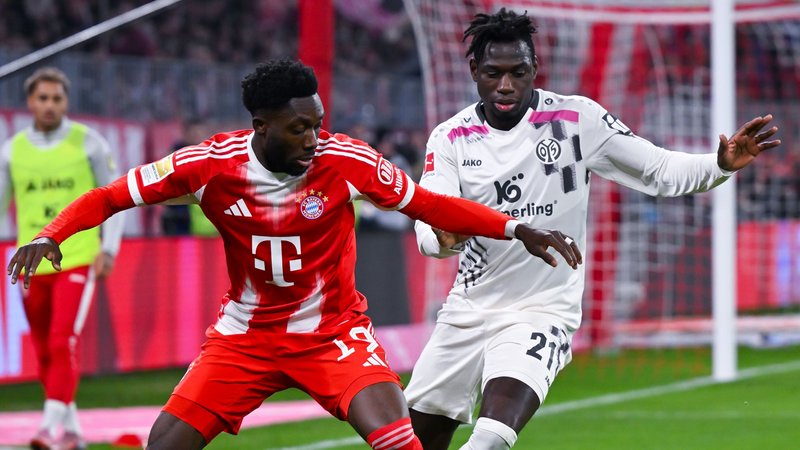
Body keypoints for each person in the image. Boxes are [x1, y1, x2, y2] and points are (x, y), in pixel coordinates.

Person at [7, 59, 582, 450]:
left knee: (400, 441)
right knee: (164, 444)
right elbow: (112, 195)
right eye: (300, 128)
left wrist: (513, 228)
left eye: (319, 124)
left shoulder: (347, 160)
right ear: (262, 125)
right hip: (244, 338)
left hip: (333, 336)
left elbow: (430, 205)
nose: (314, 139)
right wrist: (52, 233)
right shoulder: (207, 165)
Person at [404, 9, 781, 450]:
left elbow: (657, 168)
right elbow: (431, 213)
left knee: (490, 439)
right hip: (468, 310)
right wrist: (440, 238)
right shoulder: (450, 138)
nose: (505, 86)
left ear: (534, 70)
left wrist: (717, 165)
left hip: (542, 310)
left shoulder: (576, 119)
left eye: (517, 73)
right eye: (493, 73)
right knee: (412, 443)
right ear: (474, 71)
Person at [0, 67, 124, 450]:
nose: (49, 105)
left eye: (56, 98)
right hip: (30, 264)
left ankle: (47, 427)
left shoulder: (90, 143)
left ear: (66, 102)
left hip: (77, 257)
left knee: (61, 339)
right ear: (30, 103)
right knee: (42, 347)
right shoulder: (11, 151)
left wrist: (109, 248)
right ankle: (71, 432)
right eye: (43, 98)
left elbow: (116, 197)